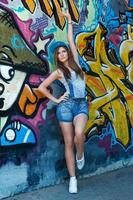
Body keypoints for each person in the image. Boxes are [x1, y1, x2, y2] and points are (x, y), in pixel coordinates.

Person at [38, 10, 89, 193]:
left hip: (81, 104)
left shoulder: (76, 61)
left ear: (67, 52)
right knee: (68, 143)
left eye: (63, 51)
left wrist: (69, 21)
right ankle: (73, 179)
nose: (62, 54)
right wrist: (57, 99)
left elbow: (70, 39)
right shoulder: (59, 72)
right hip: (66, 107)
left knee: (79, 134)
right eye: (59, 53)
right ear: (57, 57)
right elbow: (42, 87)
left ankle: (80, 154)